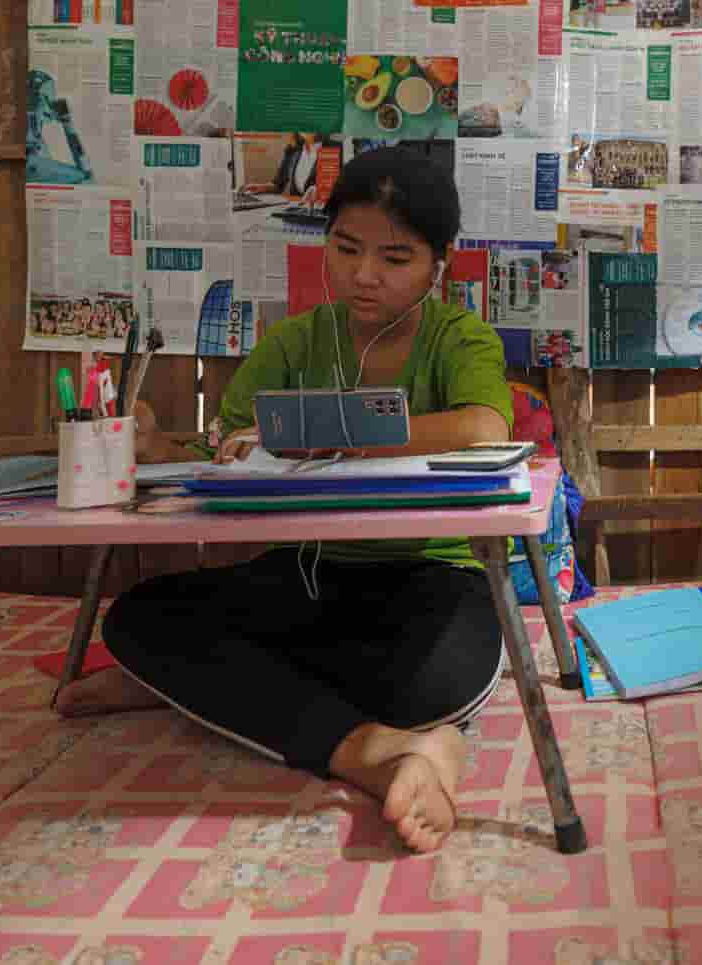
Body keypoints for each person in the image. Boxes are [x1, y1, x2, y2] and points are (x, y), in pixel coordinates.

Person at [56, 148, 514, 855]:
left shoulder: (460, 338)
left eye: (395, 257)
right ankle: (385, 750)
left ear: (438, 265)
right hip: (309, 574)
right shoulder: (297, 340)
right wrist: (152, 445)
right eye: (346, 247)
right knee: (140, 619)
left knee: (438, 681)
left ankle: (212, 690)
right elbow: (225, 444)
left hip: (436, 580)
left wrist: (342, 437)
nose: (365, 274)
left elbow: (484, 426)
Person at [269, 132, 323, 202]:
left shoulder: (337, 148)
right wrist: (261, 188)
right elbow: (278, 185)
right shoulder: (292, 150)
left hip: (321, 209)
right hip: (296, 208)